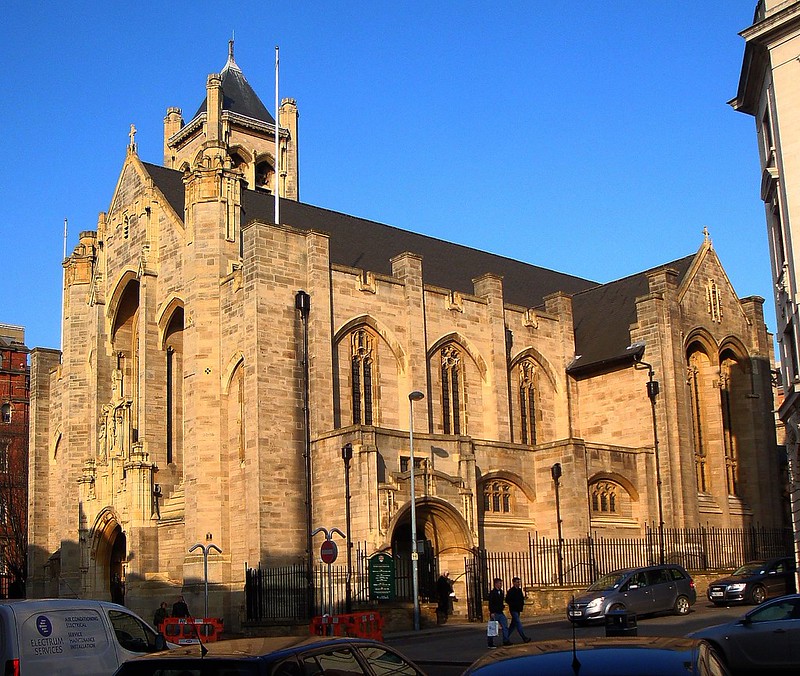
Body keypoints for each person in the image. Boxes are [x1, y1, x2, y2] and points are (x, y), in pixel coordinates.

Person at [505, 577, 531, 642]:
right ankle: (524, 637)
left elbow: (521, 598)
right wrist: (513, 604)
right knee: (518, 623)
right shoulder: (511, 591)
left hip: (518, 609)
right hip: (513, 609)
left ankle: (505, 638)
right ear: (513, 583)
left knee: (513, 625)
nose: (518, 583)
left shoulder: (519, 590)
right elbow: (507, 600)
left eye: (519, 582)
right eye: (517, 582)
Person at [487, 577, 510, 648]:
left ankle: (506, 641)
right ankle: (490, 643)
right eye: (500, 583)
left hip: (500, 612)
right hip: (495, 612)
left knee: (505, 626)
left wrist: (502, 606)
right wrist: (492, 612)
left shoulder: (502, 592)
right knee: (492, 628)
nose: (501, 585)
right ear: (496, 584)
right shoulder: (492, 593)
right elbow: (490, 603)